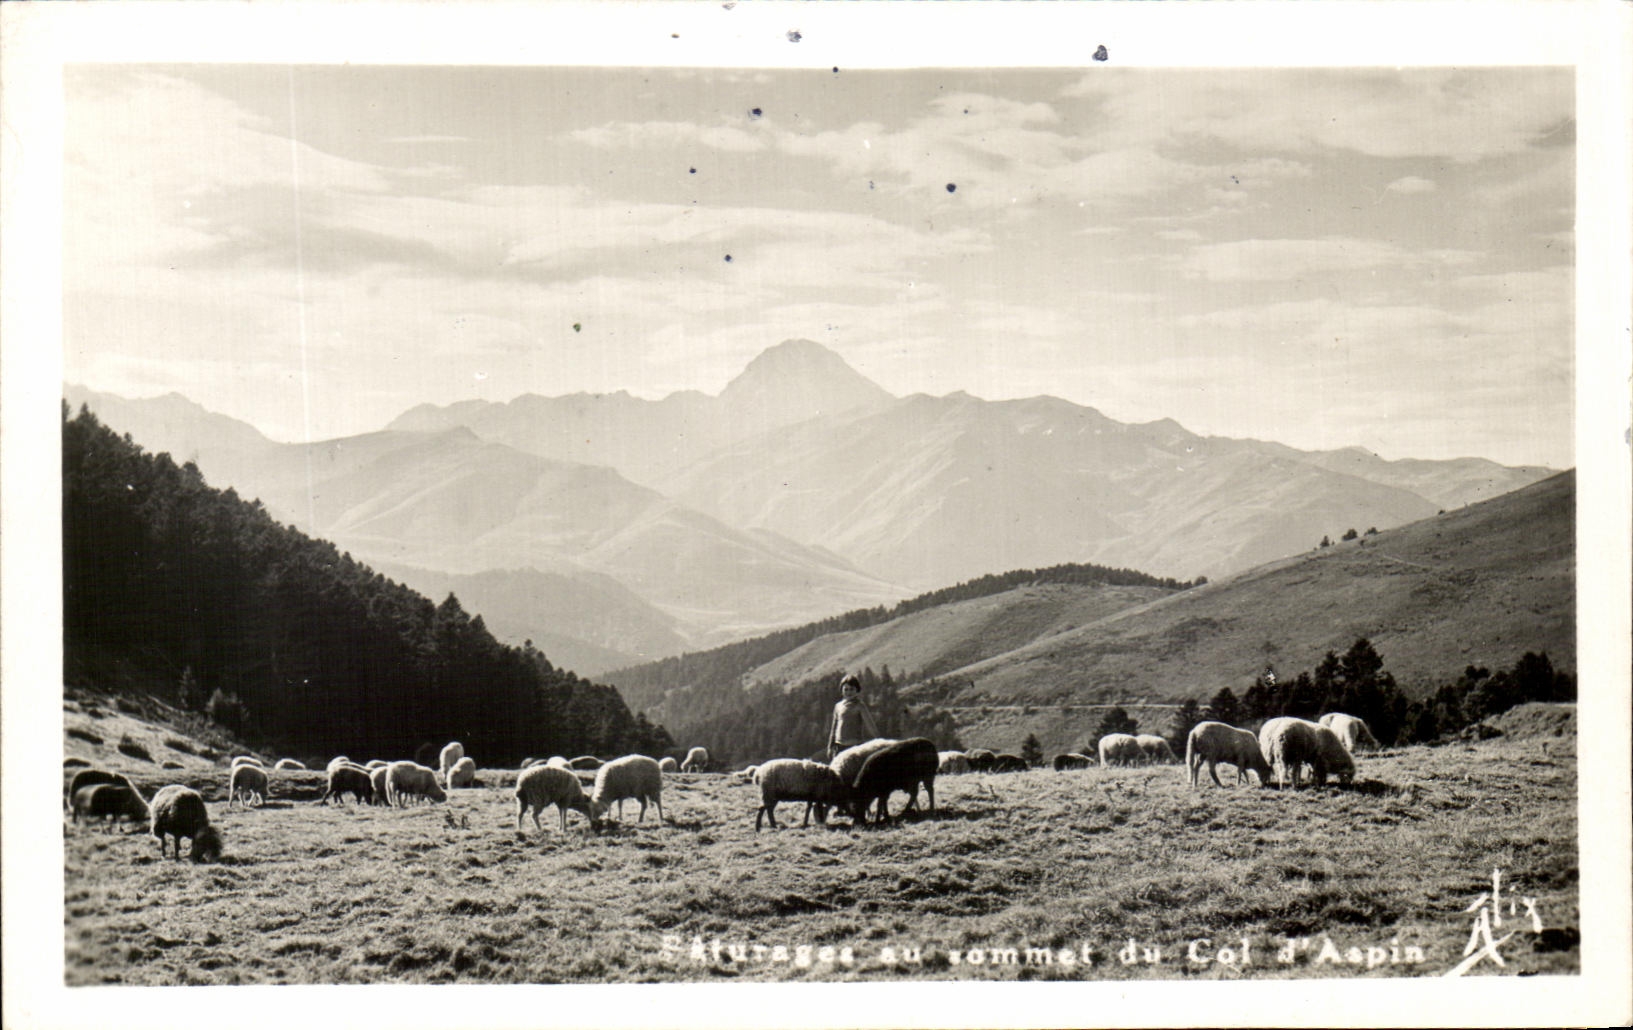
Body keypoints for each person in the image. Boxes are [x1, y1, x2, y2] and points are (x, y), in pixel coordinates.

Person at [826, 672, 880, 761]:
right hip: (839, 747)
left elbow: (871, 726)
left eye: (851, 689)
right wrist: (830, 746)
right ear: (842, 690)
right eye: (846, 689)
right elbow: (834, 728)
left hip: (854, 747)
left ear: (857, 690)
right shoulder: (838, 706)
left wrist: (879, 741)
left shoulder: (859, 706)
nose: (848, 692)